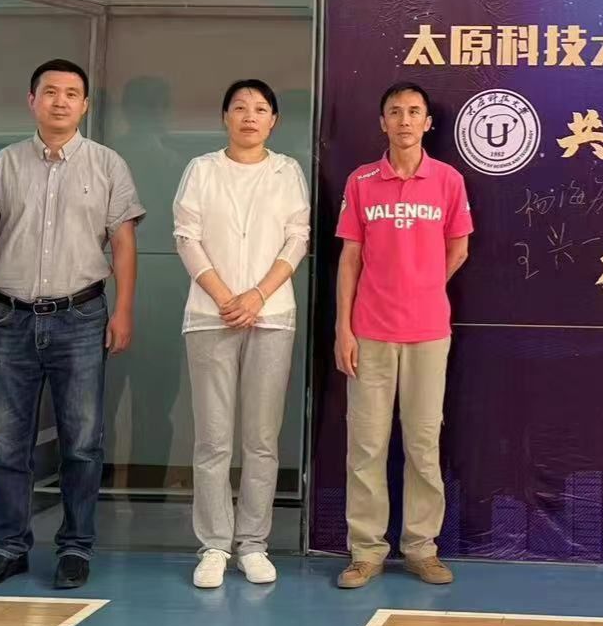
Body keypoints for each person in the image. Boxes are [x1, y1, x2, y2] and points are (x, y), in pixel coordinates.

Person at [0, 58, 144, 591]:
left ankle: (76, 547)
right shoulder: (2, 165)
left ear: (85, 105)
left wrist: (124, 310)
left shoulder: (108, 165)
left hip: (81, 317)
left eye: (71, 94)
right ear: (32, 100)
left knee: (81, 441)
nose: (60, 101)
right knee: (7, 443)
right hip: (7, 318)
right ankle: (8, 547)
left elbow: (124, 245)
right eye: (50, 92)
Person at [333, 82, 472, 589]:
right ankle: (366, 551)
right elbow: (350, 258)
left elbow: (458, 248)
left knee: (422, 443)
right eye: (395, 112)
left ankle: (421, 548)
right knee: (366, 446)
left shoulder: (448, 180)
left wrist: (424, 285)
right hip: (369, 332)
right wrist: (343, 328)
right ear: (383, 122)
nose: (405, 120)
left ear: (428, 122)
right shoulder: (362, 181)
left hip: (428, 333)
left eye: (414, 112)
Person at [172, 79, 310, 588]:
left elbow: (297, 238)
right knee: (212, 438)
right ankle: (213, 545)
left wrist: (256, 295)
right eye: (239, 107)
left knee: (261, 438)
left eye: (260, 108)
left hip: (271, 316)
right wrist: (225, 296)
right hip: (211, 316)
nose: (250, 116)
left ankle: (253, 543)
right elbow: (186, 236)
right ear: (225, 117)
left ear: (274, 120)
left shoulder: (287, 171)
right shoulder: (202, 169)